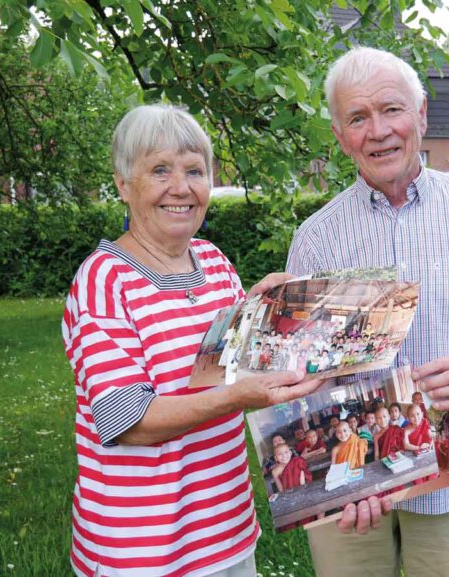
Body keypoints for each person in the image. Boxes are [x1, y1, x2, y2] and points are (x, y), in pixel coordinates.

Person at [285, 47, 449, 577]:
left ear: (423, 114)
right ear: (340, 137)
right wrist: (347, 473)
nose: (379, 130)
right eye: (358, 118)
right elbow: (301, 372)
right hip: (351, 481)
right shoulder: (315, 238)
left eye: (392, 109)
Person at [62, 104, 321, 577]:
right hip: (140, 551)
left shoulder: (213, 261)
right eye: (160, 169)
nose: (180, 187)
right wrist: (237, 398)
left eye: (194, 170)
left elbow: (235, 362)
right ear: (123, 184)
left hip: (226, 533)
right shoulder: (103, 280)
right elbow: (127, 422)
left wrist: (264, 312)